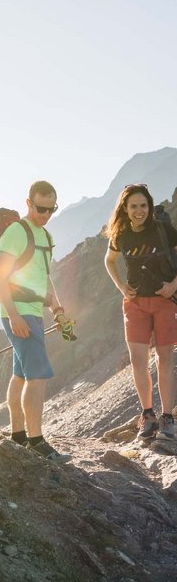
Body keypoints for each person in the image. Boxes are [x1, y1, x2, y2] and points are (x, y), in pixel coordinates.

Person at [0, 180, 70, 463]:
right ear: (28, 203)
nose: (46, 214)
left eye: (51, 209)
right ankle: (36, 442)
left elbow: (45, 277)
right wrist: (14, 315)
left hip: (34, 310)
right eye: (40, 208)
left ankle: (18, 436)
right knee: (37, 376)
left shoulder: (46, 237)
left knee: (22, 374)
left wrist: (57, 308)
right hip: (19, 311)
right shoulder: (16, 232)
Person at [104, 184, 177, 442]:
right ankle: (148, 415)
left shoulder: (162, 229)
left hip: (163, 301)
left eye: (143, 205)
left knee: (165, 359)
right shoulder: (121, 234)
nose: (139, 211)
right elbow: (109, 260)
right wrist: (121, 286)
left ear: (149, 206)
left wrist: (174, 285)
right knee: (138, 362)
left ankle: (168, 418)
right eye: (133, 206)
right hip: (134, 305)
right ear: (125, 208)